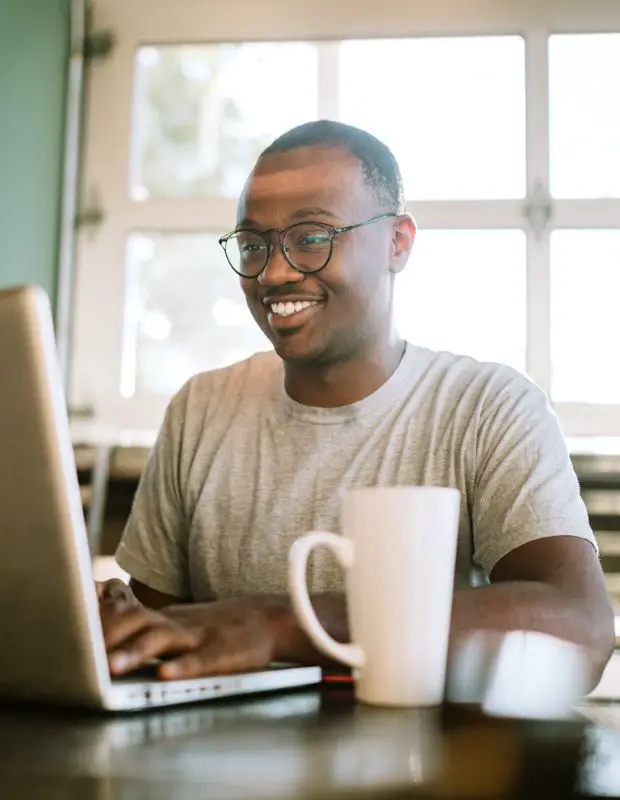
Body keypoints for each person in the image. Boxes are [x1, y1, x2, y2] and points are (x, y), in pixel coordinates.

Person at [99, 120, 614, 688]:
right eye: (252, 245)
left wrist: (281, 623)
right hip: (215, 767)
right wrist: (115, 626)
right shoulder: (201, 409)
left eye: (312, 238)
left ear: (398, 243)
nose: (273, 271)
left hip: (417, 770)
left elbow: (580, 629)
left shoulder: (487, 408)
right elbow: (160, 637)